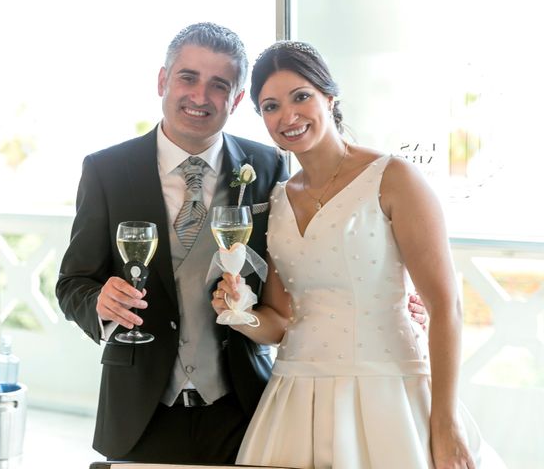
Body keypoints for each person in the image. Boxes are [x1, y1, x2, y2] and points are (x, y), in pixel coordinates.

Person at [56, 23, 427, 465]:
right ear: (162, 80)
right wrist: (99, 301)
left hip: (245, 406)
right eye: (188, 77)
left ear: (234, 100)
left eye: (219, 85)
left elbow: (302, 259)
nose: (200, 96)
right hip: (138, 407)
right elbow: (72, 280)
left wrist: (385, 295)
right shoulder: (107, 170)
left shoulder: (268, 165)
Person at [212, 41, 505, 468]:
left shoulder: (395, 178)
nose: (288, 116)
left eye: (301, 97)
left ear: (330, 97)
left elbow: (446, 307)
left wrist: (445, 424)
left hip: (388, 392)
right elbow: (278, 322)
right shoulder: (277, 199)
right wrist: (241, 313)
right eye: (271, 106)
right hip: (295, 398)